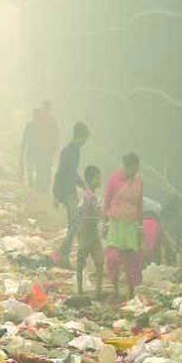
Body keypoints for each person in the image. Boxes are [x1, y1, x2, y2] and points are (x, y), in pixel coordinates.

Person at [103, 152, 144, 299]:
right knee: (112, 258)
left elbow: (140, 205)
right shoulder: (114, 179)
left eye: (136, 169)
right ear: (126, 166)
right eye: (132, 168)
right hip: (115, 224)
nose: (134, 171)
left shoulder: (139, 182)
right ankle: (115, 289)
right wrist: (104, 223)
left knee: (131, 259)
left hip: (131, 225)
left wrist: (140, 227)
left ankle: (131, 291)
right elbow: (106, 201)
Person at [52, 121, 91, 265]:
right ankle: (62, 253)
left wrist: (83, 186)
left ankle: (64, 257)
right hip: (66, 192)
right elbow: (61, 173)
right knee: (75, 223)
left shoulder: (76, 151)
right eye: (85, 139)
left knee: (72, 224)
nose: (85, 142)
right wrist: (56, 195)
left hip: (71, 191)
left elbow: (73, 173)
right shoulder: (68, 152)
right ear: (79, 136)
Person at [76, 165, 105, 298]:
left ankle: (94, 290)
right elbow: (85, 209)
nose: (100, 180)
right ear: (91, 179)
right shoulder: (88, 194)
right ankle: (81, 290)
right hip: (87, 230)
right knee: (84, 260)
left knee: (98, 261)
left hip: (91, 230)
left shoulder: (91, 194)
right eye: (98, 177)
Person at [31, 101, 59, 194]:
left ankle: (44, 189)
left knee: (46, 169)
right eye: (45, 108)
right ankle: (39, 188)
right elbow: (35, 133)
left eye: (47, 108)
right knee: (40, 168)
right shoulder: (41, 119)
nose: (46, 110)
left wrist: (54, 149)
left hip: (47, 149)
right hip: (41, 148)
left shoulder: (52, 120)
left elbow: (55, 135)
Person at [20, 109, 41, 189]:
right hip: (32, 151)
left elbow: (24, 139)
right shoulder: (30, 126)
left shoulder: (39, 126)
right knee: (30, 170)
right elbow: (24, 139)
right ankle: (32, 187)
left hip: (36, 152)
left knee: (34, 171)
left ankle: (33, 187)